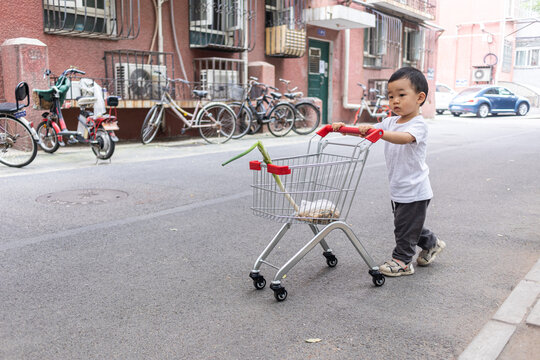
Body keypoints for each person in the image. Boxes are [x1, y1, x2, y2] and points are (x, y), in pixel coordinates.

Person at [332, 67, 445, 277]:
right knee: (410, 226)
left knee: (403, 228)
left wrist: (381, 132)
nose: (394, 101)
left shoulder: (418, 124)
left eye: (402, 95)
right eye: (391, 96)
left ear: (420, 97)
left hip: (415, 189)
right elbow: (370, 131)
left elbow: (404, 138)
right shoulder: (391, 121)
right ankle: (432, 243)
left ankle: (402, 261)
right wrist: (345, 128)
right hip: (399, 187)